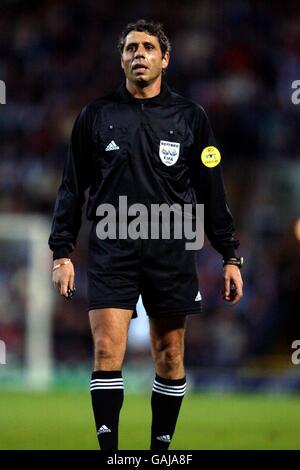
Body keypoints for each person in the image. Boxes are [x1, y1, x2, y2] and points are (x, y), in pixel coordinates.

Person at [49, 19, 243, 450]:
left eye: (149, 48)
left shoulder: (191, 117)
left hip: (172, 246)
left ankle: (159, 454)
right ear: (122, 59)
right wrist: (61, 251)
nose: (140, 54)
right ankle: (111, 454)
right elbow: (71, 187)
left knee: (170, 355)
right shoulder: (95, 116)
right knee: (105, 349)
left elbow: (213, 191)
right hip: (112, 246)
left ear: (165, 59)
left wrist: (230, 255)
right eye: (132, 48)